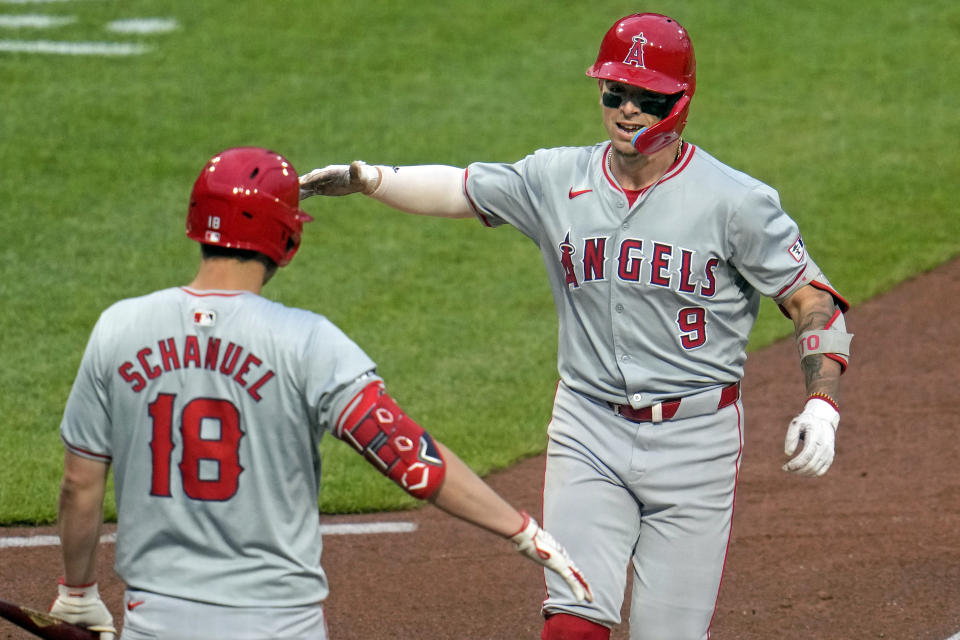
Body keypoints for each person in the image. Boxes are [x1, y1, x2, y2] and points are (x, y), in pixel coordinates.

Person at [297, 12, 853, 640]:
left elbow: (815, 303)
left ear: (680, 102)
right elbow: (462, 188)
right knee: (573, 624)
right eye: (614, 93)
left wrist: (821, 403)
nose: (627, 109)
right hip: (588, 428)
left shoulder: (737, 202)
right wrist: (372, 179)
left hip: (698, 441)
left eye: (647, 97)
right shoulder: (557, 177)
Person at [50, 146, 592, 640]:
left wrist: (76, 595)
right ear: (287, 237)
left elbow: (80, 481)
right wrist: (521, 530)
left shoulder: (118, 329)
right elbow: (409, 458)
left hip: (156, 619)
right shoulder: (306, 342)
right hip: (279, 622)